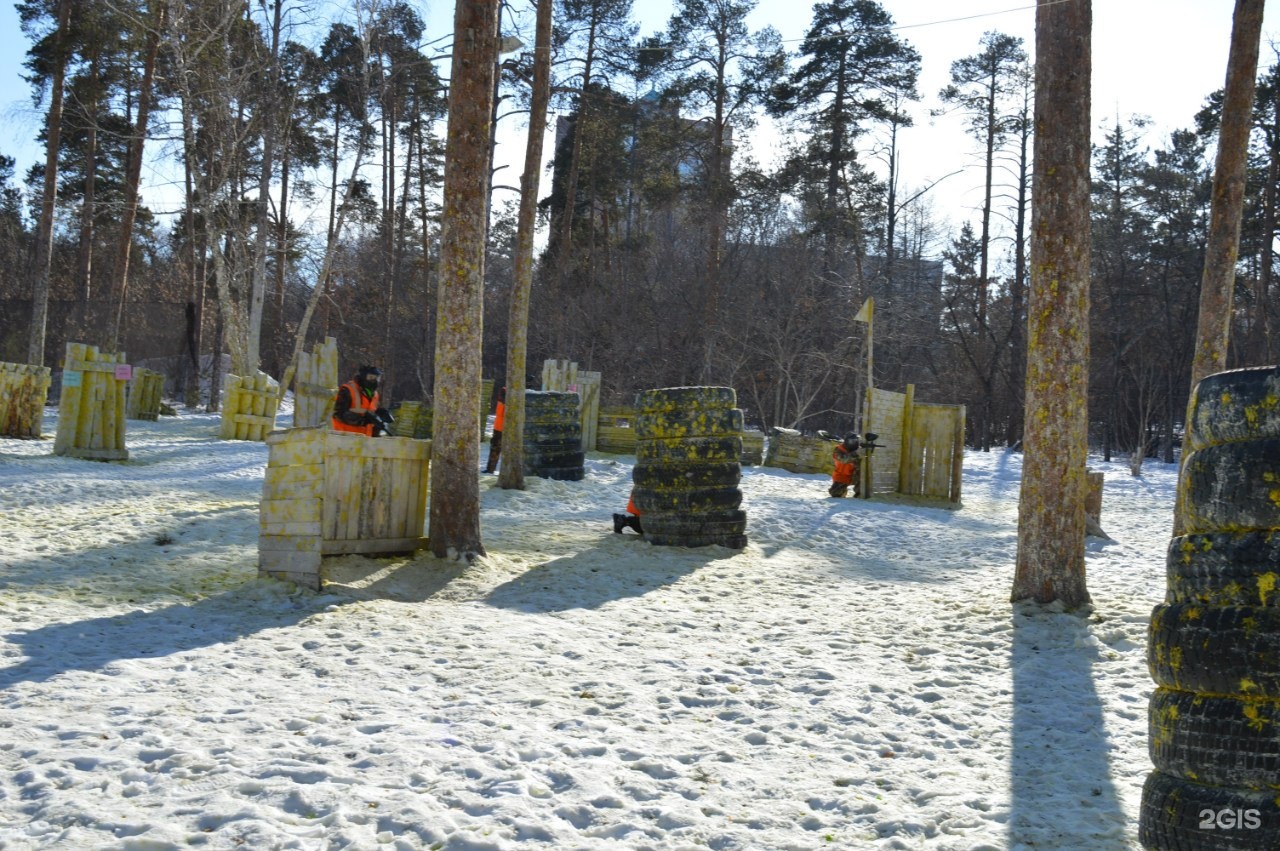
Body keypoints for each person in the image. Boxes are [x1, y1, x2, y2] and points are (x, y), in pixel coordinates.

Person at [332, 365, 391, 436]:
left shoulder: (375, 395)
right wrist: (363, 421)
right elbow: (338, 414)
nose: (374, 381)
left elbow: (367, 411)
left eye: (377, 378)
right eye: (371, 377)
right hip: (344, 437)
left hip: (363, 440)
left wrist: (378, 414)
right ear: (363, 377)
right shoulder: (348, 389)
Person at [829, 432, 861, 498]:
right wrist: (856, 453)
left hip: (856, 476)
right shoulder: (838, 450)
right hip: (842, 476)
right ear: (846, 441)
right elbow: (844, 460)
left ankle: (859, 493)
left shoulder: (859, 450)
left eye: (855, 441)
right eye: (851, 441)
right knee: (835, 494)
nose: (853, 443)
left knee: (862, 493)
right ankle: (842, 490)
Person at [483, 387, 506, 473]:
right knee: (495, 448)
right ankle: (490, 469)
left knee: (495, 448)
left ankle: (490, 469)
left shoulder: (505, 392)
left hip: (500, 427)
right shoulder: (506, 392)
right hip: (499, 427)